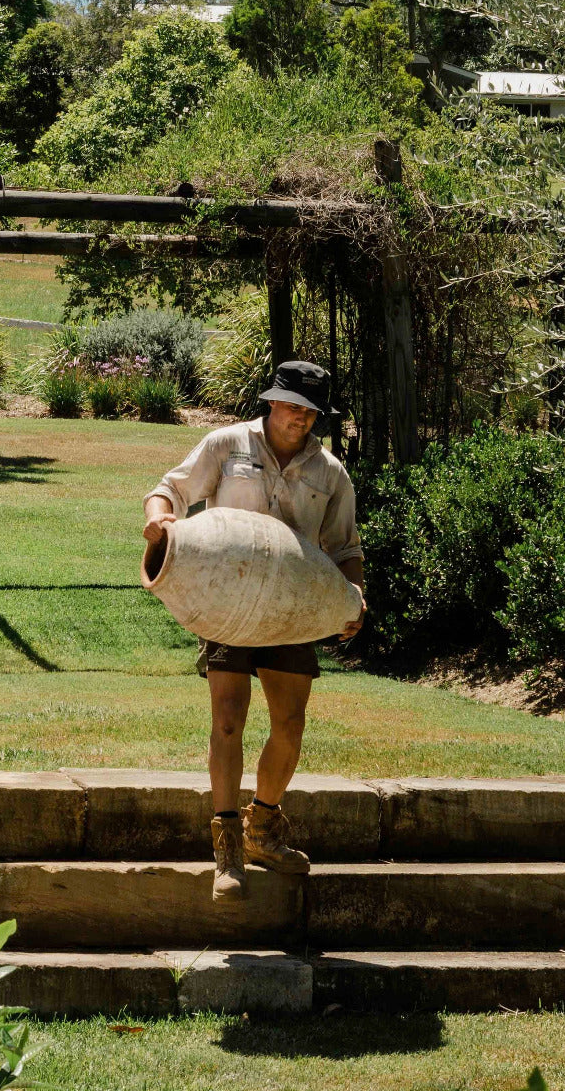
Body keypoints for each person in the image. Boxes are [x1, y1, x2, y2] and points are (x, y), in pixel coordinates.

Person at [142, 361, 366, 901]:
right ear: (271, 402)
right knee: (227, 721)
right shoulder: (225, 445)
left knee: (289, 725)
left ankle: (263, 828)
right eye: (293, 407)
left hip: (294, 608)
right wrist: (159, 519)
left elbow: (346, 548)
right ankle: (227, 851)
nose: (301, 419)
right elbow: (169, 489)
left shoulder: (331, 473)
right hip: (228, 605)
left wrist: (355, 598)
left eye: (311, 411)